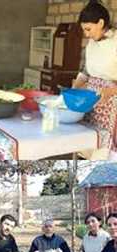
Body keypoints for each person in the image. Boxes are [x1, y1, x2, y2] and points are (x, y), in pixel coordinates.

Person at [73, 0, 117, 160]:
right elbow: (86, 71)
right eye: (84, 30)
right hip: (92, 101)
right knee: (89, 142)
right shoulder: (91, 44)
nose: (86, 34)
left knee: (104, 152)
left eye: (88, 29)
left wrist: (110, 91)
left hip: (112, 103)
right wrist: (75, 87)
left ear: (101, 23)